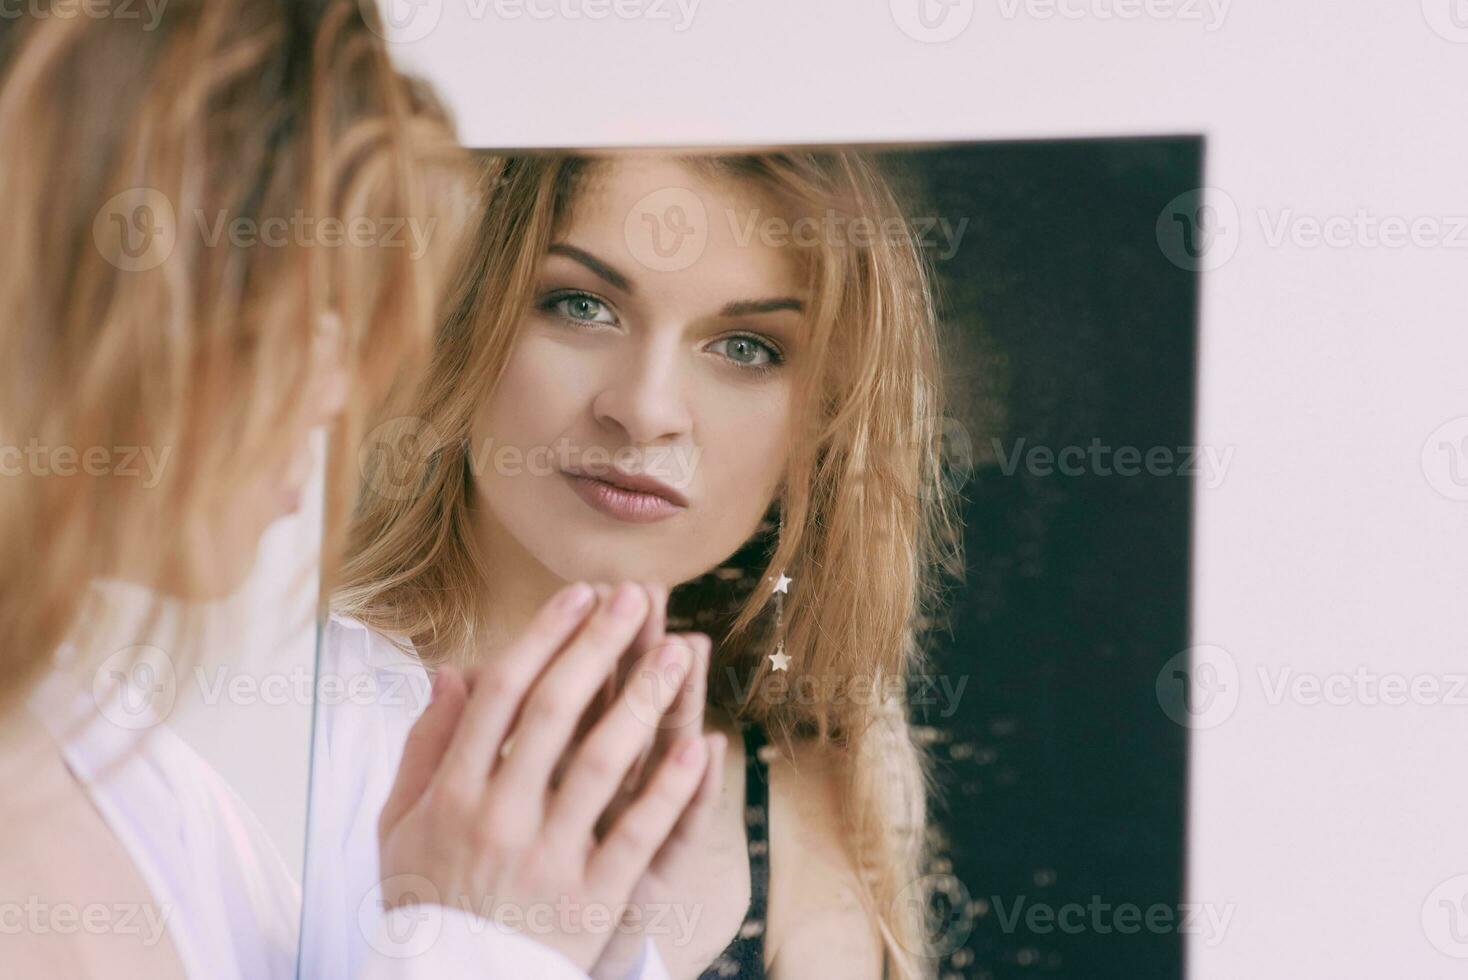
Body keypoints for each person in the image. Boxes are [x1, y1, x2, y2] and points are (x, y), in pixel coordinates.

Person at [0, 4, 713, 977]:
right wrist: (484, 945)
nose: (341, 394)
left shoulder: (125, 769)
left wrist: (554, 920)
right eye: (306, 314)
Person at [309, 149, 964, 979]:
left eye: (747, 348)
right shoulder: (277, 705)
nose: (646, 409)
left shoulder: (808, 796)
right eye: (581, 305)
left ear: (825, 428)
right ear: (466, 318)